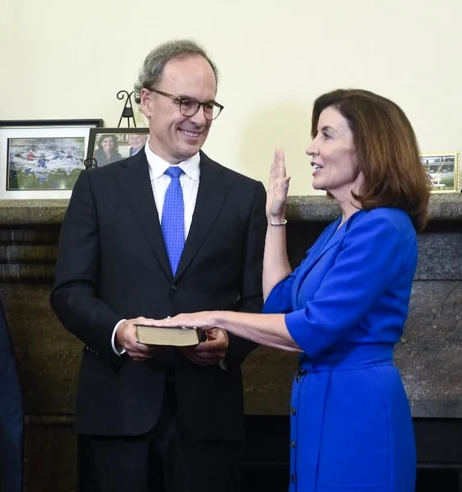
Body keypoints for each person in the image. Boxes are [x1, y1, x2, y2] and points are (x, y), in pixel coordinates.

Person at [148, 89, 430, 491]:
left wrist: (211, 315)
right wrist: (275, 217)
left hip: (357, 409)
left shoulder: (384, 226)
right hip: (318, 401)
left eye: (326, 135)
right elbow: (278, 301)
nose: (311, 147)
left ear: (369, 148)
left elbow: (313, 329)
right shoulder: (341, 228)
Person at [51, 39, 267, 491]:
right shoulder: (96, 188)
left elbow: (256, 300)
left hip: (208, 417)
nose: (199, 117)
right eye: (186, 102)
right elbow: (70, 290)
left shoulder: (245, 196)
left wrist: (229, 344)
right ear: (146, 100)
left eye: (209, 106)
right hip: (117, 409)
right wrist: (118, 332)